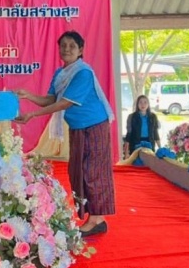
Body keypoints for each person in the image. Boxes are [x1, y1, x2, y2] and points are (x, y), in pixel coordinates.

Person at [14, 31, 115, 237]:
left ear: (81, 50)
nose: (67, 49)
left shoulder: (83, 73)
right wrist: (28, 96)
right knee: (77, 171)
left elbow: (65, 103)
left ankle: (97, 219)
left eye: (72, 45)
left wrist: (32, 115)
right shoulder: (61, 73)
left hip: (94, 126)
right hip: (77, 127)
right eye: (63, 45)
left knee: (93, 171)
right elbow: (51, 100)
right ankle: (92, 216)